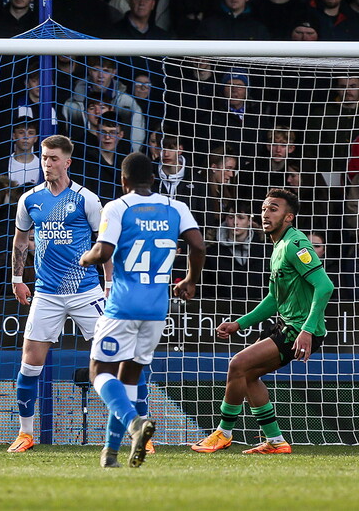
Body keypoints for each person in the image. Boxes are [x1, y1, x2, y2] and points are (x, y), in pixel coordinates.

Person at [78, 152, 205, 468]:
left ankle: (135, 424)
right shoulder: (176, 207)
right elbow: (199, 246)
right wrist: (190, 279)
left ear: (123, 180)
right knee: (130, 377)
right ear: (155, 178)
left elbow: (104, 250)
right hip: (156, 310)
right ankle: (110, 454)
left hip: (122, 306)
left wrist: (87, 258)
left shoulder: (118, 206)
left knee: (99, 371)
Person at [192, 189, 334, 455]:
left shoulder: (296, 245)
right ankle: (276, 441)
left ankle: (223, 432)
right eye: (264, 208)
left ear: (289, 217)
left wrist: (306, 330)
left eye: (274, 209)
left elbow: (325, 286)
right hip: (287, 324)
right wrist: (239, 324)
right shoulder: (278, 247)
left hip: (301, 329)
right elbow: (274, 297)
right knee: (248, 375)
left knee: (238, 364)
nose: (266, 214)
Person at [7, 135, 112, 453]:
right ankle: (26, 434)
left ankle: (135, 429)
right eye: (44, 157)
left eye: (53, 158)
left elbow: (104, 246)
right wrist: (17, 278)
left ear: (67, 162)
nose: (47, 163)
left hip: (85, 292)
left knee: (115, 359)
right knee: (29, 363)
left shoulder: (86, 199)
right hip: (47, 293)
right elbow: (21, 241)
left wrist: (109, 287)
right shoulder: (30, 200)